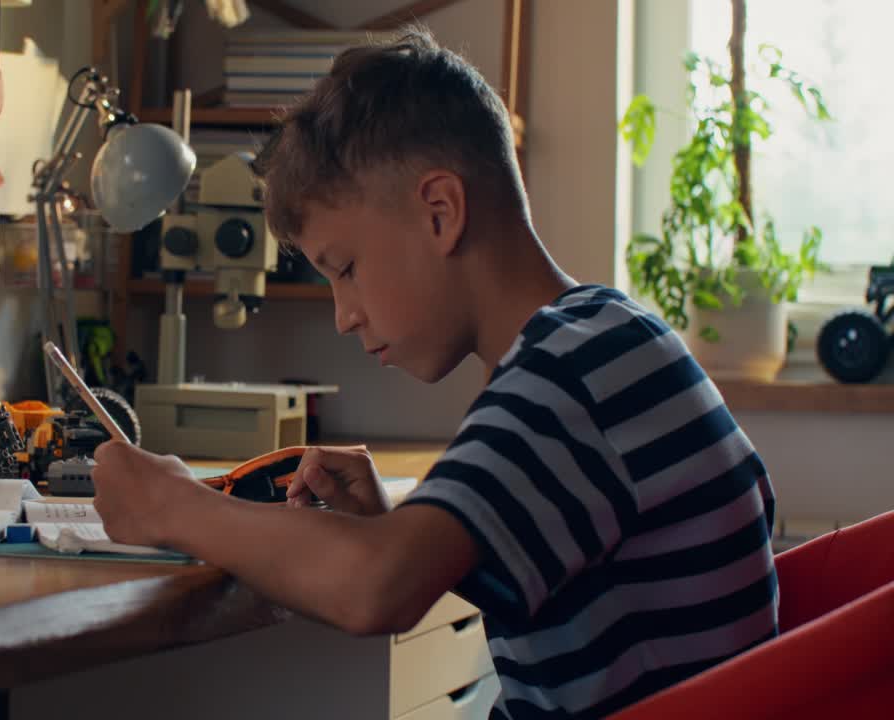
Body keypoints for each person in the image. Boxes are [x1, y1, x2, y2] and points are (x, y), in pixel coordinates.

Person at [90, 27, 778, 719]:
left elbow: (377, 591)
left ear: (440, 212)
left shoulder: (566, 374)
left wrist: (172, 505)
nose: (343, 316)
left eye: (347, 269)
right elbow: (576, 574)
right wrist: (404, 532)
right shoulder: (605, 336)